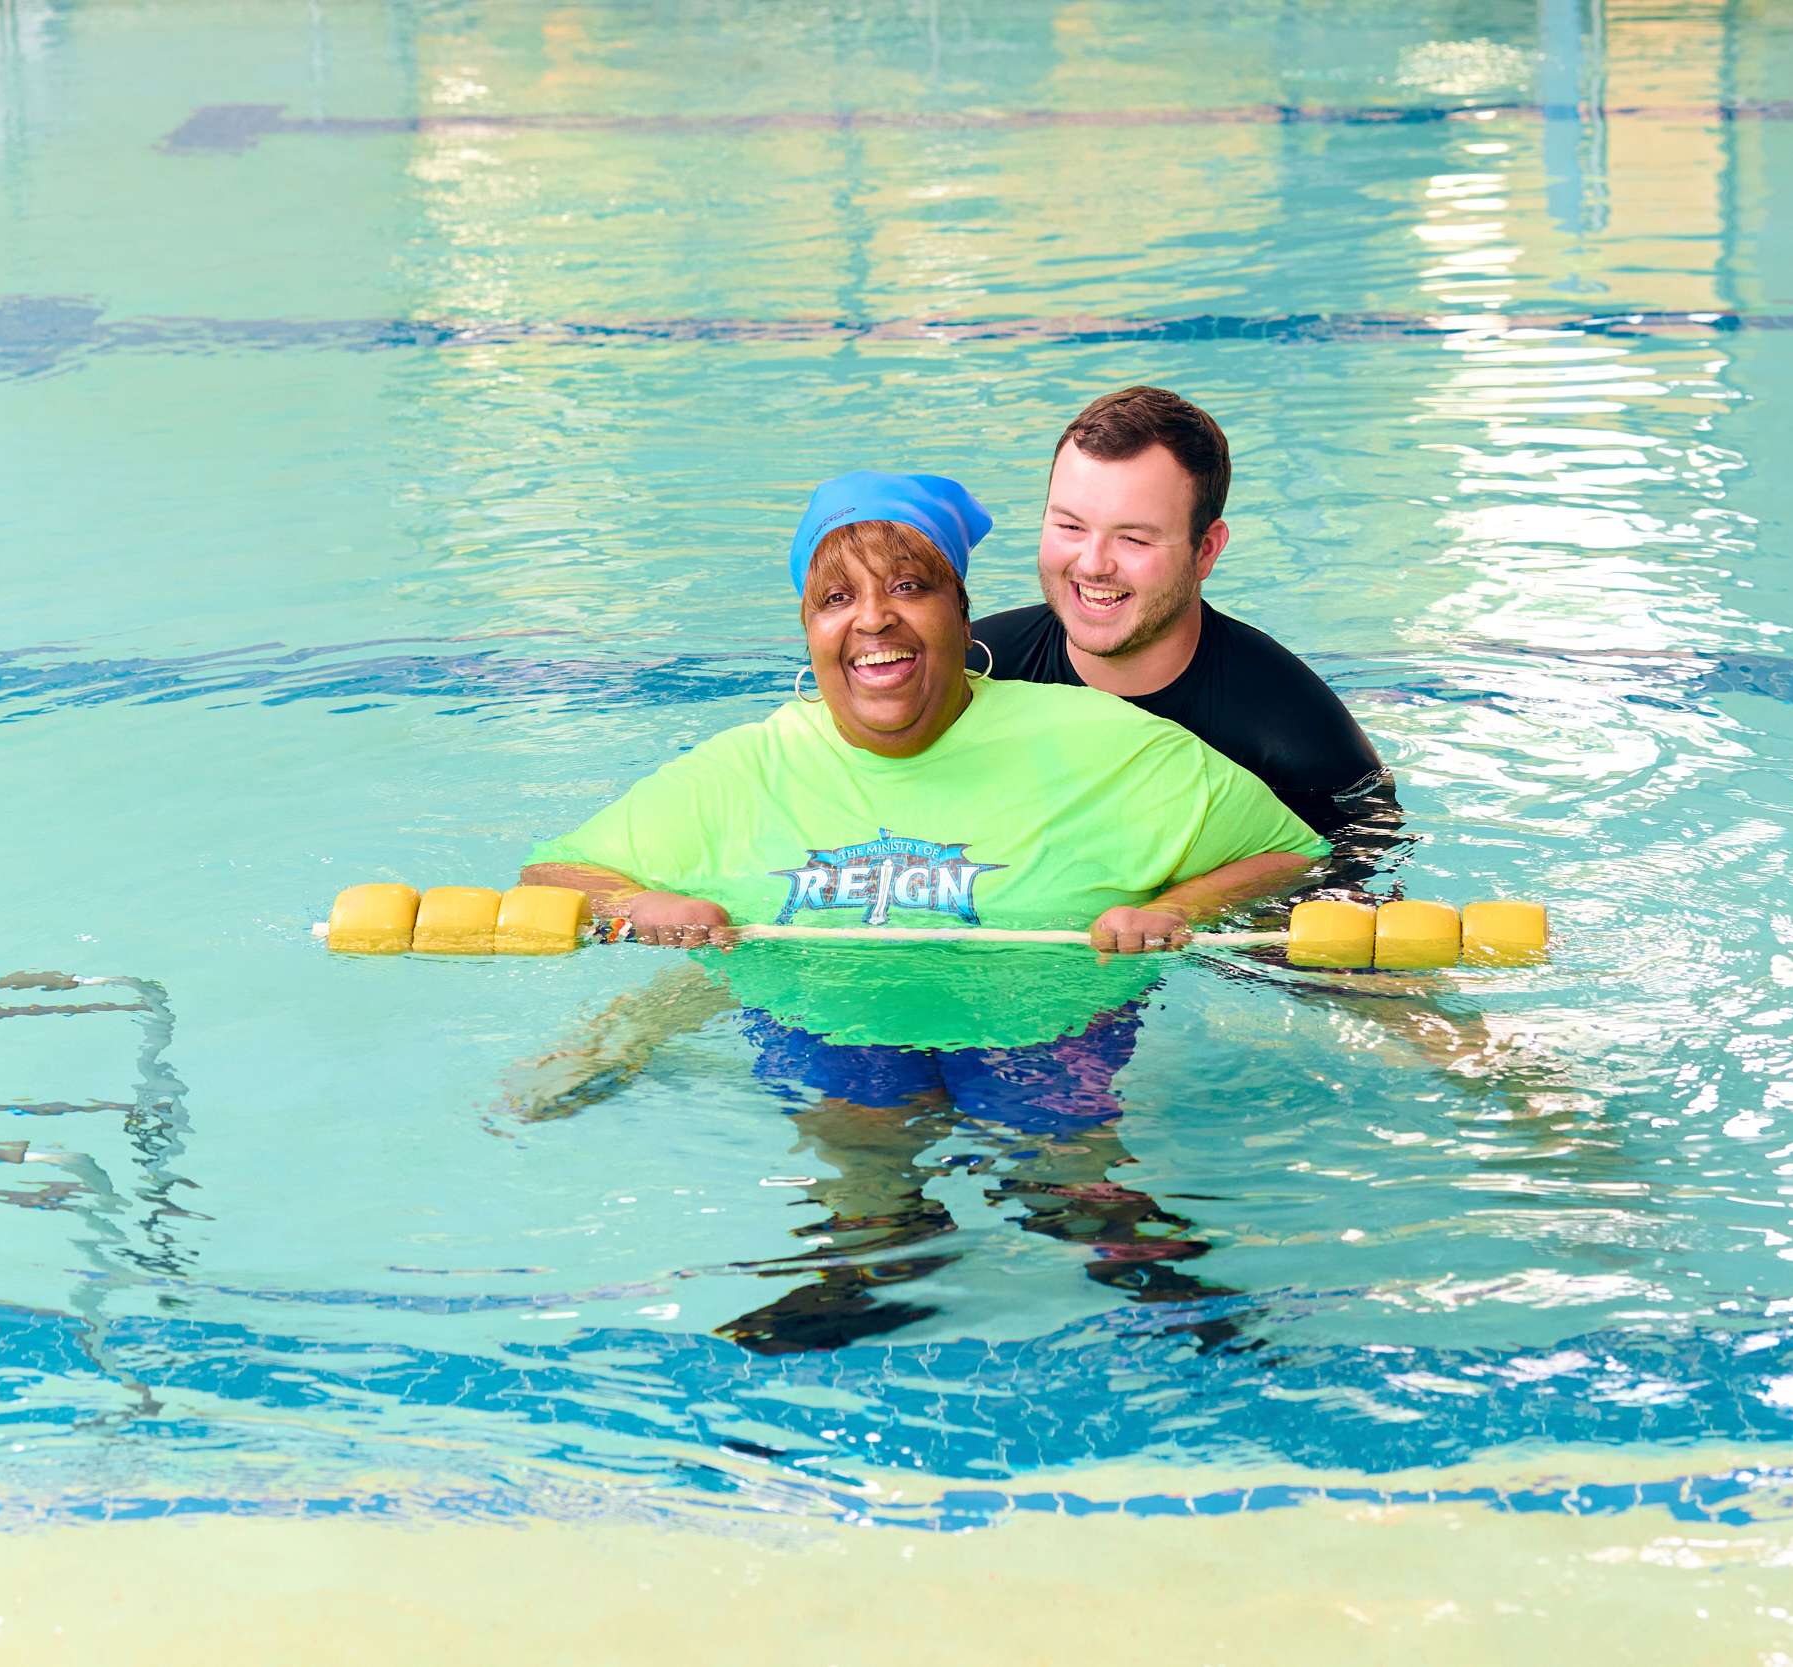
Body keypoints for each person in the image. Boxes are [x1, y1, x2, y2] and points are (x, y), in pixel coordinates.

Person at [517, 470, 1327, 1351]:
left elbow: (1290, 855)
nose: (873, 619)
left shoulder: (1102, 741)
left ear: (962, 614)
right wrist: (641, 901)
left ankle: (1117, 1238)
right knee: (856, 1121)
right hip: (829, 1024)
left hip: (1041, 1021)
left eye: (909, 586)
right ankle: (878, 1243)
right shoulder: (742, 768)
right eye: (837, 597)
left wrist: (1178, 907)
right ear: (809, 630)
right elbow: (553, 875)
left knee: (1052, 1142)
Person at [976, 386, 1390, 841]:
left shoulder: (1295, 736)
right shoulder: (972, 674)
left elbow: (1358, 870)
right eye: (1070, 527)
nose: (1093, 564)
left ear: (1205, 550)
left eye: (1133, 538)